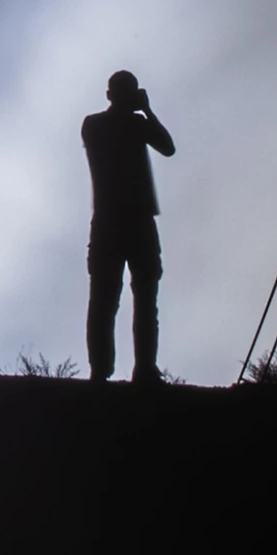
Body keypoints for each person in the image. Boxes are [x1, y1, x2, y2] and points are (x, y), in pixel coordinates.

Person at [82, 70, 178, 383]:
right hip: (127, 222)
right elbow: (167, 146)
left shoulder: (104, 124)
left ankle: (119, 371)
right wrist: (146, 110)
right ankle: (123, 370)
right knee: (122, 299)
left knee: (116, 300)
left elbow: (168, 147)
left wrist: (144, 112)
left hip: (117, 223)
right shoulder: (106, 124)